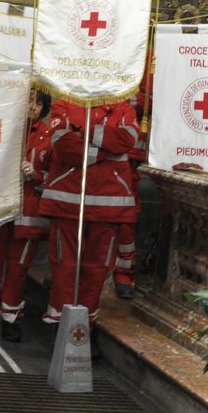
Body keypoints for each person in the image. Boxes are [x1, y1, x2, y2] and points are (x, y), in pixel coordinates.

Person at [38, 96, 141, 324]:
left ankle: (83, 329)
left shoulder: (122, 106)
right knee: (64, 268)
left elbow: (128, 139)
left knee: (97, 271)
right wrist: (104, 152)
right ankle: (60, 326)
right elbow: (63, 145)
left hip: (109, 204)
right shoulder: (64, 103)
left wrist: (85, 131)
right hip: (67, 202)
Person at [0, 88, 53, 342]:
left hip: (26, 211)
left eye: (38, 104)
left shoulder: (49, 138)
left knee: (18, 269)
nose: (32, 107)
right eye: (29, 101)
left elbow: (56, 177)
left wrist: (36, 175)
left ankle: (10, 319)